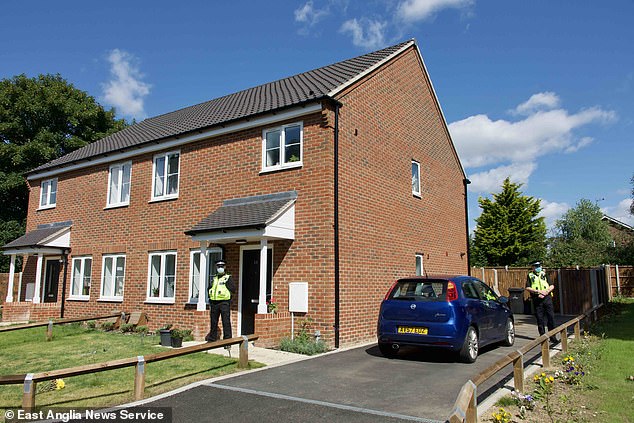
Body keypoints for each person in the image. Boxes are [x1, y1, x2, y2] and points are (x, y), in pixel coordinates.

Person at [525, 261, 557, 343]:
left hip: (547, 298)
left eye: (539, 266)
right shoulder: (530, 275)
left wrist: (546, 291)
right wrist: (537, 292)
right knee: (540, 319)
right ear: (532, 267)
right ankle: (543, 337)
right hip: (537, 299)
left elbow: (552, 285)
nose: (538, 267)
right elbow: (528, 287)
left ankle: (553, 337)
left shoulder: (544, 274)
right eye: (536, 266)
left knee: (551, 317)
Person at [205, 259, 235, 343]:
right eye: (218, 266)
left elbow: (233, 289)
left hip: (224, 303)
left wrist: (229, 298)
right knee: (213, 321)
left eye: (222, 266)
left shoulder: (228, 278)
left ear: (225, 267)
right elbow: (209, 288)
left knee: (226, 321)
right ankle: (212, 339)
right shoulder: (214, 278)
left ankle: (227, 341)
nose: (220, 268)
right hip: (214, 302)